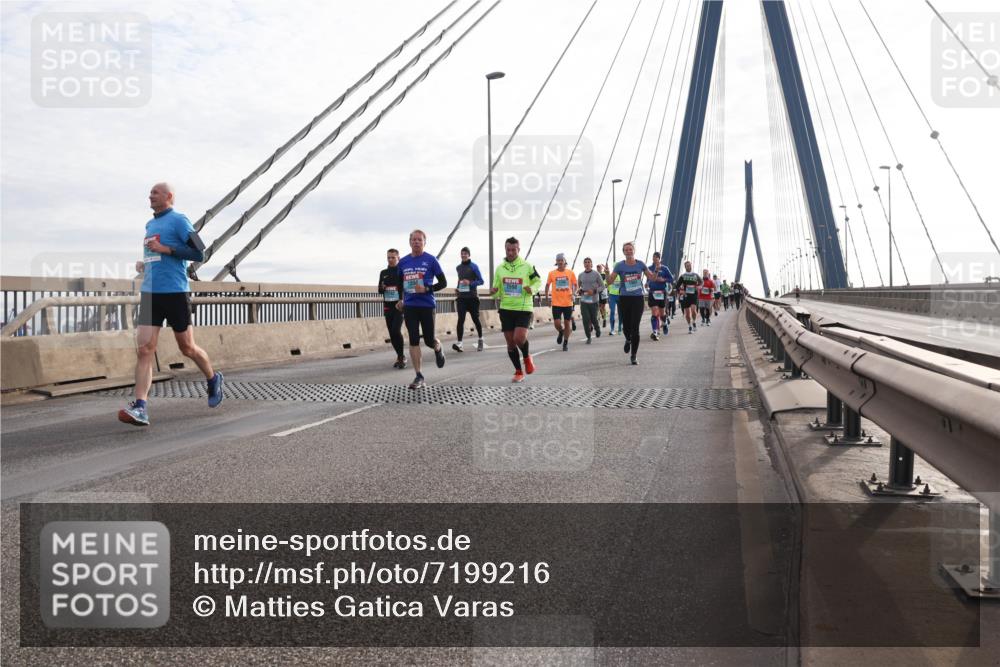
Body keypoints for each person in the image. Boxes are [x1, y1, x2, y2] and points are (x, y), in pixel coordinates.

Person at [118, 182, 223, 426]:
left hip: (175, 292)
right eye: (150, 193)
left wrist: (165, 248)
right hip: (151, 293)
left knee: (187, 348)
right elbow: (157, 254)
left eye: (155, 192)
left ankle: (213, 378)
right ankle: (141, 407)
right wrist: (146, 263)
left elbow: (199, 254)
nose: (150, 196)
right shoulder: (150, 225)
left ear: (169, 196)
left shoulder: (179, 220)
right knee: (145, 349)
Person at [398, 229, 447, 389]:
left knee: (428, 340)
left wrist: (426, 289)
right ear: (410, 242)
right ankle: (419, 375)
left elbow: (443, 283)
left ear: (424, 242)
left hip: (427, 305)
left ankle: (438, 346)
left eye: (419, 240)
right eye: (414, 240)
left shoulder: (431, 260)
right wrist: (400, 299)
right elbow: (400, 283)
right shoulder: (403, 262)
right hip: (410, 306)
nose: (416, 242)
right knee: (413, 338)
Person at [490, 237, 541, 383]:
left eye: (514, 250)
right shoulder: (500, 269)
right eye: (508, 250)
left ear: (519, 250)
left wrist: (532, 288)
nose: (511, 252)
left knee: (518, 338)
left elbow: (538, 280)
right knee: (510, 343)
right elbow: (497, 291)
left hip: (523, 307)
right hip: (506, 308)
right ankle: (518, 371)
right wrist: (493, 291)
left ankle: (526, 357)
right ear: (505, 249)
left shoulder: (527, 266)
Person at [606, 242, 656, 365]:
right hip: (624, 298)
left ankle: (634, 355)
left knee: (635, 328)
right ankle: (628, 339)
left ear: (634, 250)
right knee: (626, 327)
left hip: (638, 298)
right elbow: (610, 282)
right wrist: (607, 273)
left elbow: (652, 277)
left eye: (630, 249)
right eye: (626, 250)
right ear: (624, 252)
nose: (628, 251)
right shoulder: (619, 266)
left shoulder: (640, 264)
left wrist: (657, 271)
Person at [453, 247, 485, 353]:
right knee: (460, 320)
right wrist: (458, 288)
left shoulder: (474, 266)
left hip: (472, 298)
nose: (463, 255)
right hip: (462, 298)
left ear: (469, 255)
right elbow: (460, 280)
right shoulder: (458, 267)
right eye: (462, 253)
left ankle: (480, 339)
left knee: (475, 319)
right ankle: (460, 343)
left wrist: (470, 283)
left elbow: (481, 281)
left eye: (465, 253)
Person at [378, 248, 406, 368]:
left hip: (399, 306)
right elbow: (379, 290)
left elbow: (406, 288)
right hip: (387, 306)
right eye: (388, 257)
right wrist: (382, 287)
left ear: (398, 258)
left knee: (396, 330)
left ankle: (401, 357)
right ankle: (400, 356)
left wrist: (403, 299)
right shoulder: (383, 272)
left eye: (393, 257)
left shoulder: (402, 271)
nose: (390, 260)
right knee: (392, 334)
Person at [545, 253, 578, 352]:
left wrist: (574, 294)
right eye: (558, 260)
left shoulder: (570, 273)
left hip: (568, 302)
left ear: (565, 262)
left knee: (567, 323)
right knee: (557, 323)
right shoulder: (552, 273)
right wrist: (547, 297)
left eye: (561, 260)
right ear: (556, 262)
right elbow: (547, 285)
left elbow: (575, 285)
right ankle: (561, 331)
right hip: (556, 302)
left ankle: (565, 343)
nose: (560, 262)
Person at [646, 252, 674, 341]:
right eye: (653, 258)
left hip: (661, 292)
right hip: (652, 292)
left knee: (662, 313)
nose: (654, 259)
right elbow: (648, 278)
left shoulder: (665, 268)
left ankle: (664, 323)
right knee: (654, 312)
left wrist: (664, 279)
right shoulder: (650, 268)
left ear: (659, 259)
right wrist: (647, 283)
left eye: (656, 258)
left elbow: (671, 279)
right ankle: (655, 332)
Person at [577, 257, 605, 344]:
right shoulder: (580, 275)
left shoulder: (596, 274)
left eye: (589, 262)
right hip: (584, 300)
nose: (587, 264)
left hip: (594, 300)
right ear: (584, 264)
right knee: (586, 319)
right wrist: (580, 291)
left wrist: (594, 291)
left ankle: (597, 328)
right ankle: (588, 337)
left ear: (591, 264)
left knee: (593, 319)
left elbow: (603, 286)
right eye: (585, 262)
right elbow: (579, 287)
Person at [674, 260, 702, 334]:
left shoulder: (695, 275)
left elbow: (701, 282)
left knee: (693, 310)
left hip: (694, 295)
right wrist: (681, 291)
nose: (688, 267)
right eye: (687, 266)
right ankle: (689, 326)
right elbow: (677, 286)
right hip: (686, 296)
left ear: (691, 266)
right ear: (685, 267)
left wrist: (699, 287)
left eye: (689, 265)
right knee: (687, 314)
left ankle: (694, 322)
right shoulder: (683, 276)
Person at [597, 263, 610, 328]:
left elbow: (608, 282)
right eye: (597, 267)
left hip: (604, 292)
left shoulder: (604, 274)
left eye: (599, 267)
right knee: (598, 307)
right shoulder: (595, 274)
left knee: (602, 307)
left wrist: (606, 286)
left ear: (601, 268)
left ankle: (604, 319)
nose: (598, 268)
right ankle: (599, 318)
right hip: (597, 292)